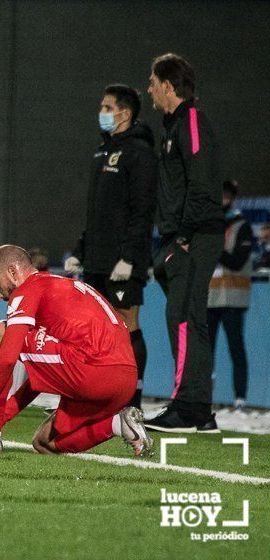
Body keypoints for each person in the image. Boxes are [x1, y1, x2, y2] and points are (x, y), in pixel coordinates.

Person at [0, 245, 153, 457]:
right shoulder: (63, 286)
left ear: (12, 272)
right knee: (44, 442)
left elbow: (6, 360)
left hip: (93, 369)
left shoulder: (28, 289)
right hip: (124, 380)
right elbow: (43, 376)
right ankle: (118, 425)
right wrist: (1, 416)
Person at [145, 54, 225, 433]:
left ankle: (187, 408)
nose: (149, 90)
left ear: (168, 86)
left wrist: (183, 237)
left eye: (152, 83)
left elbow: (203, 182)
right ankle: (199, 409)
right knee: (191, 320)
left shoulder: (190, 122)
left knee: (181, 320)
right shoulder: (174, 126)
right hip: (185, 238)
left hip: (193, 238)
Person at [65, 84, 157, 409]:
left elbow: (143, 210)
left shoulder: (140, 152)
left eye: (107, 107)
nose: (101, 113)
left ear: (124, 113)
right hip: (98, 261)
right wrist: (80, 249)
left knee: (126, 323)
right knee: (96, 328)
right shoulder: (101, 152)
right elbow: (97, 213)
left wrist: (130, 258)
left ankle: (133, 399)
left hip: (123, 261)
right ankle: (98, 394)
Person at [208, 180, 253, 410]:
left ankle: (240, 399)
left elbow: (237, 261)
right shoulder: (210, 225)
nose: (222, 200)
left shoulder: (241, 226)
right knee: (206, 352)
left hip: (233, 298)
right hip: (210, 298)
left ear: (232, 198)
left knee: (236, 347)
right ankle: (205, 397)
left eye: (226, 196)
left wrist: (215, 248)